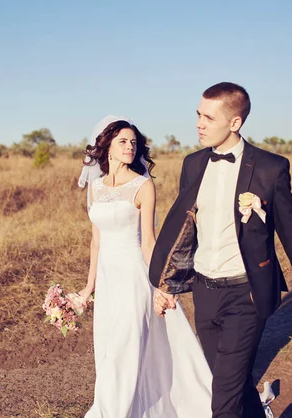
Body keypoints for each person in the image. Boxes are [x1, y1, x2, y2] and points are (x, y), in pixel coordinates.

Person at [149, 82, 292, 418]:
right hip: (204, 290)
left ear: (235, 123)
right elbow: (184, 231)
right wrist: (167, 283)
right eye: (198, 114)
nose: (199, 123)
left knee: (223, 401)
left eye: (209, 117)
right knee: (229, 379)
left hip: (246, 293)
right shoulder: (192, 165)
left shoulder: (270, 168)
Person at [77, 115, 213, 417]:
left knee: (124, 351)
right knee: (109, 348)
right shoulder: (96, 188)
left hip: (134, 277)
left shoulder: (143, 186)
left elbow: (149, 243)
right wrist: (89, 289)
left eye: (133, 142)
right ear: (107, 147)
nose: (130, 147)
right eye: (123, 141)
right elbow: (95, 243)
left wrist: (162, 285)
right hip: (109, 282)